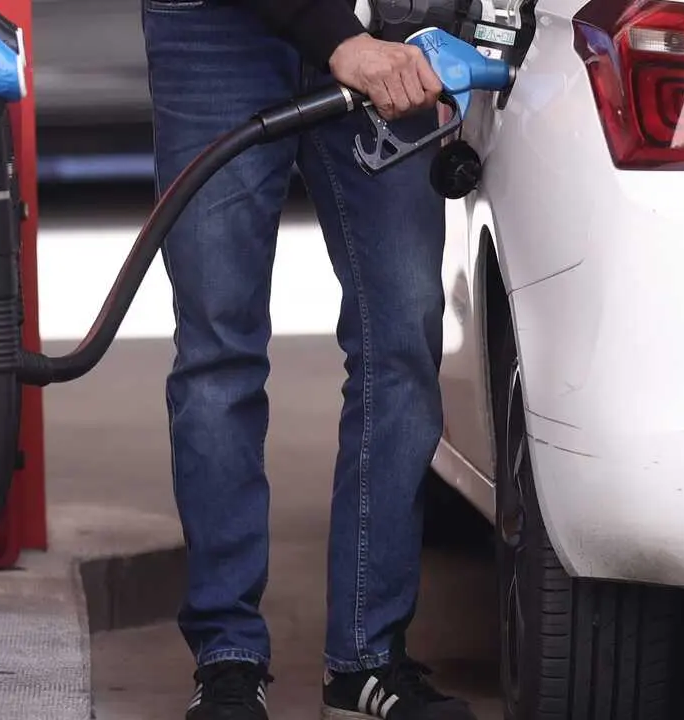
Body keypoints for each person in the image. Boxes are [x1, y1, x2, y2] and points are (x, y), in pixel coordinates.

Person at [142, 0, 472, 718]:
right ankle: (227, 656)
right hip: (213, 30)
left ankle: (366, 659)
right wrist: (336, 40)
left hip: (384, 29)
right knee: (217, 352)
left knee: (402, 335)